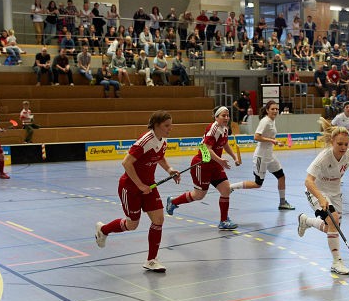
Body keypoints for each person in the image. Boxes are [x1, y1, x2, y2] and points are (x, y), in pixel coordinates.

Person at [95, 111, 181, 272]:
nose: (170, 128)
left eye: (171, 125)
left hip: (149, 186)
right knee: (132, 224)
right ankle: (103, 230)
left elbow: (159, 157)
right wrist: (140, 185)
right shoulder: (145, 141)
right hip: (130, 187)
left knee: (159, 219)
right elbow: (126, 163)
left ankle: (151, 260)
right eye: (167, 125)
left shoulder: (163, 140)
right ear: (156, 125)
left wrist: (169, 169)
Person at [297, 117, 349, 275]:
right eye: (340, 144)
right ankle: (337, 262)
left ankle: (306, 221)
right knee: (333, 219)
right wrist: (321, 198)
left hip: (335, 193)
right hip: (316, 191)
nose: (343, 147)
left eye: (346, 144)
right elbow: (308, 181)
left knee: (332, 228)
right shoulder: (324, 157)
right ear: (332, 142)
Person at [166, 106, 242, 230]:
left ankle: (223, 221)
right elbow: (206, 148)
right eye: (223, 116)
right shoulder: (213, 129)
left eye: (228, 116)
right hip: (202, 165)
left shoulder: (225, 128)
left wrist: (234, 157)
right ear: (216, 117)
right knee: (199, 195)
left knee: (226, 190)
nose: (226, 118)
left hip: (215, 165)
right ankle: (173, 202)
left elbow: (225, 144)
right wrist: (220, 160)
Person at [229, 100, 295, 210]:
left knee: (281, 176)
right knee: (258, 184)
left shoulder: (272, 121)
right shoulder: (265, 121)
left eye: (276, 109)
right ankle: (231, 187)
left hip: (270, 156)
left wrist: (276, 142)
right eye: (272, 109)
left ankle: (282, 203)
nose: (275, 111)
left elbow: (268, 137)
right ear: (267, 110)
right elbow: (256, 137)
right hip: (261, 157)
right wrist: (272, 140)